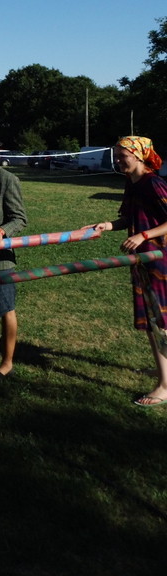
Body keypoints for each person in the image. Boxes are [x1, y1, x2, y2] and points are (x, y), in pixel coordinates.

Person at [84, 136, 167, 407]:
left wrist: (144, 235)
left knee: (161, 323)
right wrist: (107, 225)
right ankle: (163, 369)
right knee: (152, 321)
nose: (119, 161)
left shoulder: (153, 183)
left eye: (124, 156)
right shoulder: (131, 184)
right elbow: (127, 218)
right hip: (144, 262)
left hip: (161, 262)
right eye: (117, 157)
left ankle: (165, 386)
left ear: (140, 156)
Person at [0, 136, 27, 382]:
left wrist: (2, 231)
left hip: (0, 260)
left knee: (6, 309)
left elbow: (19, 218)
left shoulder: (6, 179)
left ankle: (7, 363)